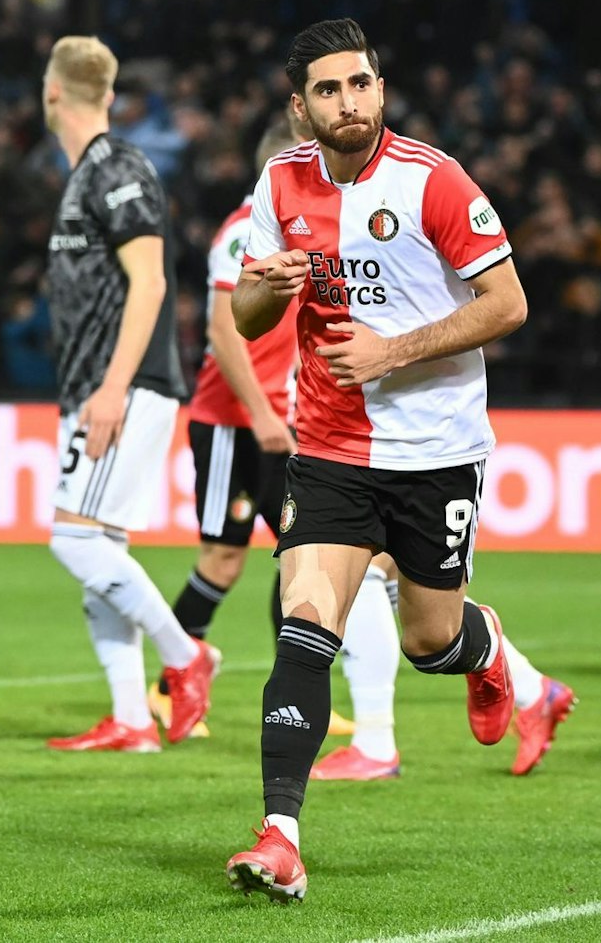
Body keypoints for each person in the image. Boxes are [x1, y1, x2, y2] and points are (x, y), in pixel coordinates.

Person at [224, 18, 543, 902]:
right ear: (301, 108)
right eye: (329, 90)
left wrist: (394, 350)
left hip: (435, 451)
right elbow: (251, 318)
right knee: (304, 622)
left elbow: (508, 301)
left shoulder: (433, 180)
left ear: (379, 89)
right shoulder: (280, 182)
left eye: (360, 83)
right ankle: (280, 833)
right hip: (327, 445)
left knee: (427, 639)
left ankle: (484, 651)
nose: (349, 101)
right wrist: (264, 286)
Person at [40, 36, 216, 752]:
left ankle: (186, 656)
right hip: (94, 386)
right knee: (101, 547)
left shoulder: (117, 167)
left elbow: (151, 281)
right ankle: (131, 720)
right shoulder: (88, 172)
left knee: (74, 538)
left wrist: (112, 388)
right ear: (107, 94)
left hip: (126, 385)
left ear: (52, 92)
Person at [156, 114, 353, 743]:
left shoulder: (300, 233)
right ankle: (168, 688)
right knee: (222, 558)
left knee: (300, 557)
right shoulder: (244, 232)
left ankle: (295, 696)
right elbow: (222, 333)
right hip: (230, 426)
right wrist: (265, 417)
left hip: (282, 425)